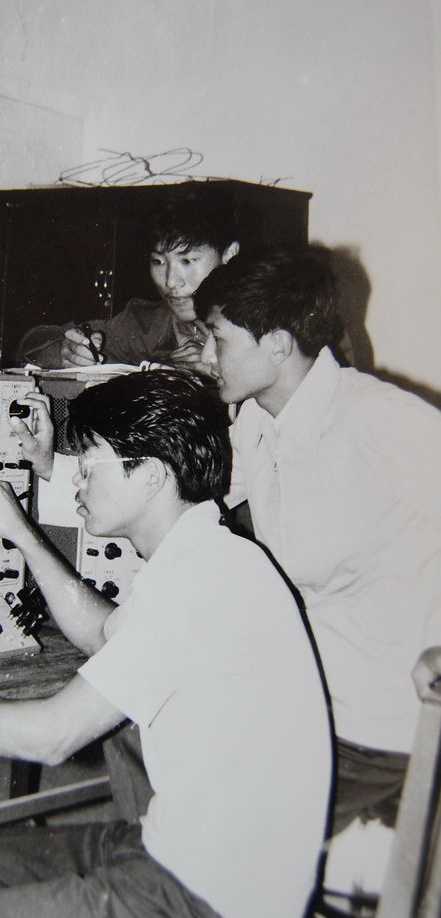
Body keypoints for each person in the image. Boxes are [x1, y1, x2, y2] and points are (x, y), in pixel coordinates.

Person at [0, 370, 332, 918]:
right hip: (171, 850)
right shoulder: (204, 553)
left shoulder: (203, 579)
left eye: (89, 467)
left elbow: (53, 737)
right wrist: (22, 533)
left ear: (151, 475)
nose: (77, 483)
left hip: (210, 898)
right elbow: (103, 633)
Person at [193, 245, 441, 838]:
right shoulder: (256, 420)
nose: (205, 357)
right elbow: (187, 492)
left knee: (216, 831)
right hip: (306, 696)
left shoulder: (381, 420)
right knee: (146, 726)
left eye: (218, 339)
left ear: (278, 344)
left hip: (378, 724)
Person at [17, 194, 240, 372]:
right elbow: (33, 342)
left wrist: (220, 370)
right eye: (158, 261)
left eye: (187, 260)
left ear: (229, 256)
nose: (171, 281)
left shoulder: (262, 318)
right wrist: (65, 352)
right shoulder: (149, 324)